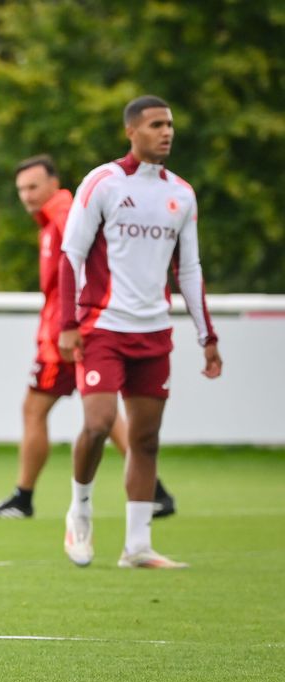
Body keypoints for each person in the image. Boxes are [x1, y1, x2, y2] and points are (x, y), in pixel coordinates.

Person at [57, 95, 222, 569]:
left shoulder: (182, 194)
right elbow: (71, 255)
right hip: (103, 326)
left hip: (155, 333)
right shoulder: (102, 182)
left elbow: (189, 270)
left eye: (170, 124)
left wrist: (207, 338)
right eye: (156, 124)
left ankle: (137, 546)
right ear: (132, 131)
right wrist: (68, 324)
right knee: (98, 423)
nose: (166, 132)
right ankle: (80, 510)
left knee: (146, 440)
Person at [0, 156, 175, 519]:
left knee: (35, 409)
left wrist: (74, 325)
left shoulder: (65, 215)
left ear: (55, 183)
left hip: (65, 336)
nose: (26, 196)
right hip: (72, 331)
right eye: (21, 189)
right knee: (102, 414)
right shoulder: (53, 219)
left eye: (33, 187)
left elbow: (85, 265)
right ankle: (155, 489)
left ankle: (24, 498)